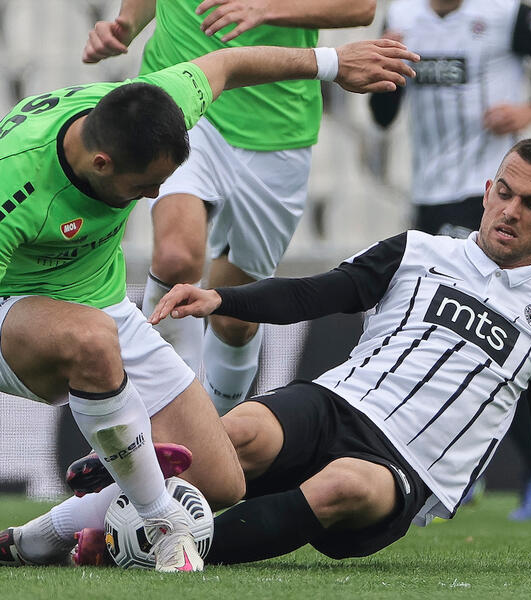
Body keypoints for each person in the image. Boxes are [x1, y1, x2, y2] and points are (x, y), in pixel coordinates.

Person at [0, 39, 419, 571]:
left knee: (220, 479)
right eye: (143, 185)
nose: (153, 196)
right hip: (13, 307)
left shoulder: (152, 103)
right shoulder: (13, 185)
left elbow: (228, 62)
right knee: (90, 341)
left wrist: (333, 64)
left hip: (101, 306)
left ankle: (36, 538)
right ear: (101, 162)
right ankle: (163, 523)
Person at [143, 138, 531, 567]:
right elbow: (317, 293)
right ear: (487, 192)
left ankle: (165, 553)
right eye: (505, 193)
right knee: (240, 431)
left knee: (344, 486)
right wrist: (222, 298)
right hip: (336, 403)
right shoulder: (417, 249)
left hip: (404, 465)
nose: (511, 211)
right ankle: (102, 522)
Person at [81, 0, 377, 416]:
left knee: (235, 318)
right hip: (185, 100)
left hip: (277, 128)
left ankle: (218, 427)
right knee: (176, 257)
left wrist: (267, 9)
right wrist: (126, 24)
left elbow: (360, 7)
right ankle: (158, 418)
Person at [369, 0, 531, 520]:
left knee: (482, 338)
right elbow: (382, 117)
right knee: (435, 339)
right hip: (428, 194)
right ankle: (454, 463)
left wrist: (530, 111)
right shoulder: (402, 16)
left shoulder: (506, 13)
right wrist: (389, 72)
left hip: (489, 196)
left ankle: (530, 466)